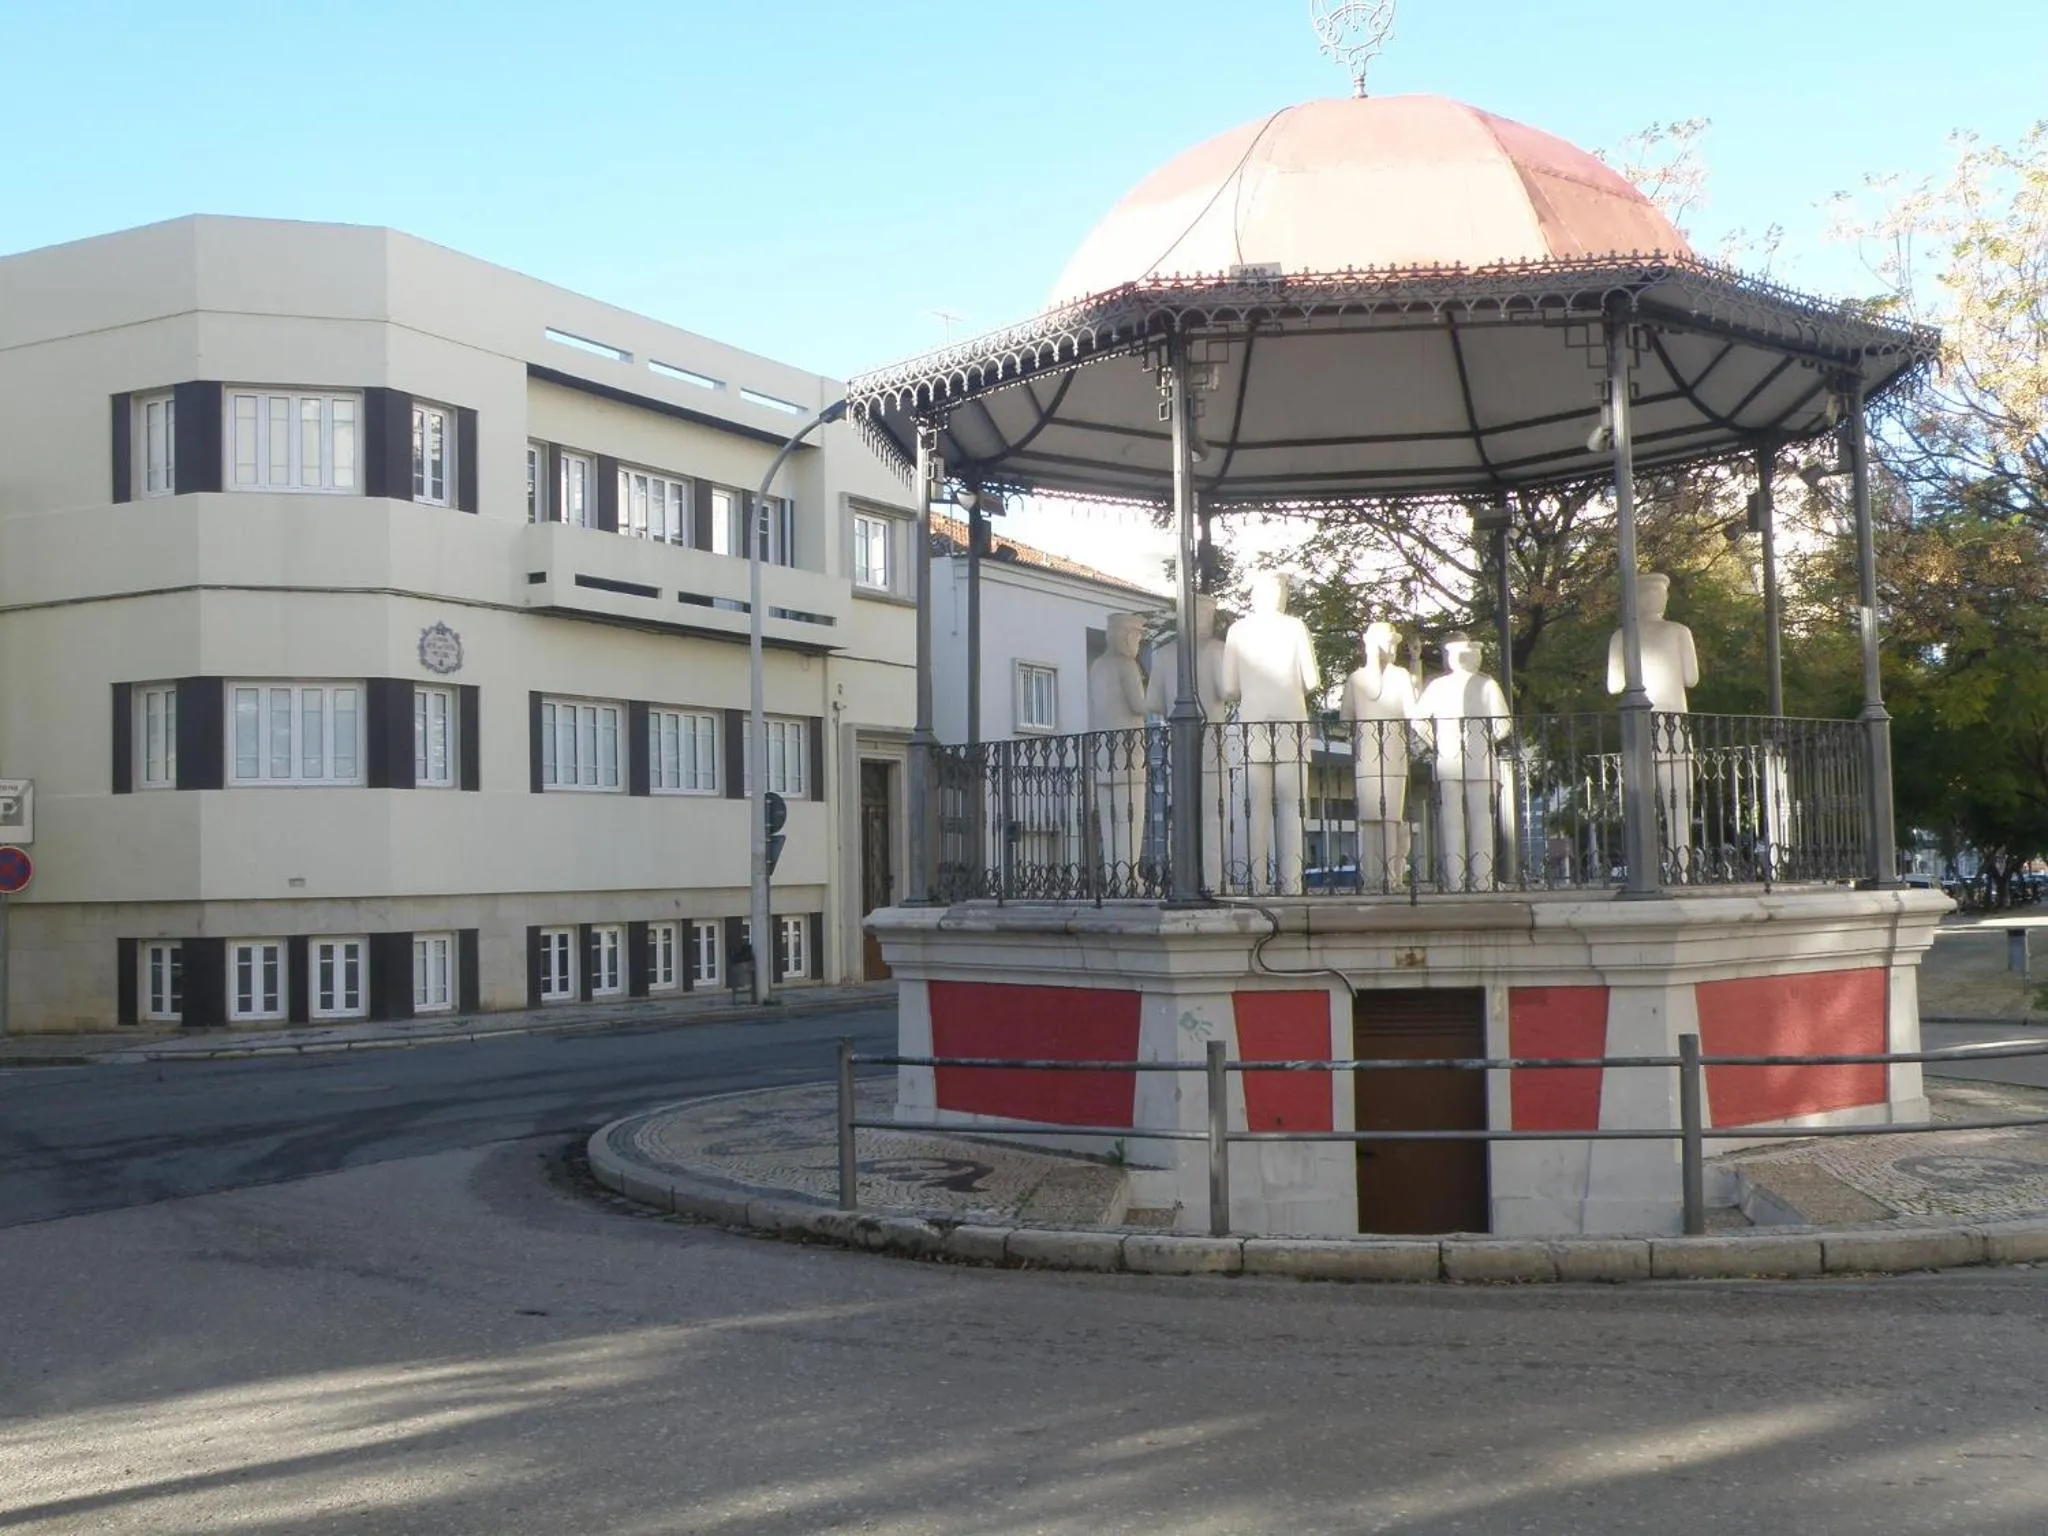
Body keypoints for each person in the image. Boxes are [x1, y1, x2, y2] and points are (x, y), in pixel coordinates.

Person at [1220, 572, 1319, 893]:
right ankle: (1292, 883)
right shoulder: (1296, 627)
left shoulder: (1238, 631)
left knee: (1253, 808)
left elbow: (1229, 687)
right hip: (1292, 720)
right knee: (1293, 807)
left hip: (1253, 723)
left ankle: (1254, 882)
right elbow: (1311, 680)